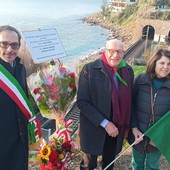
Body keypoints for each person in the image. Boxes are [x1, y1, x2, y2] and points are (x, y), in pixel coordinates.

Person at [77, 39, 134, 170]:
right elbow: (82, 102)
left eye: (119, 51)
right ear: (105, 51)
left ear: (123, 53)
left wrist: (127, 126)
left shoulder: (128, 71)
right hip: (93, 127)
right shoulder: (89, 69)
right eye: (112, 51)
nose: (115, 55)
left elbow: (130, 99)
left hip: (116, 130)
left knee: (108, 164)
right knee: (88, 165)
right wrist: (105, 123)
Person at [129, 49, 170, 170]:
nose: (165, 67)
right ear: (154, 63)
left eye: (169, 64)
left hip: (157, 138)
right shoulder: (140, 80)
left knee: (152, 166)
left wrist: (160, 137)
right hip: (138, 135)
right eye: (162, 63)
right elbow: (131, 106)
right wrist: (134, 128)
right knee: (137, 164)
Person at [0, 25, 29, 169]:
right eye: (4, 44)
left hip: (21, 142)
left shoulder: (20, 68)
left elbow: (24, 100)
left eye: (14, 45)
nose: (9, 49)